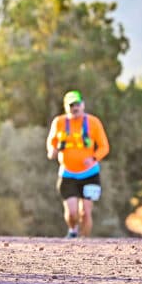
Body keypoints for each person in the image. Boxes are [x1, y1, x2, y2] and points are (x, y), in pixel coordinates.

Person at [46, 90, 111, 238]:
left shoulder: (94, 122)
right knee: (72, 213)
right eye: (71, 105)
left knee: (85, 212)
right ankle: (72, 230)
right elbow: (51, 142)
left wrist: (94, 158)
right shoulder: (59, 122)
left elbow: (104, 146)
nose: (75, 108)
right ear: (65, 107)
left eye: (77, 104)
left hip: (90, 174)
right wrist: (52, 151)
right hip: (67, 174)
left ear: (83, 104)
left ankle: (84, 243)